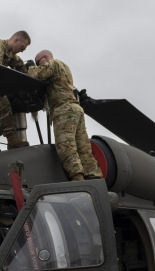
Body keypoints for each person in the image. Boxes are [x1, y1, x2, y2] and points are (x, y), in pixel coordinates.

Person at [26, 50, 102, 181]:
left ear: (45, 58)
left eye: (39, 62)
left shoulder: (53, 64)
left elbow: (38, 74)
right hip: (75, 109)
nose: (39, 65)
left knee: (65, 146)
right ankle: (94, 178)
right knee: (83, 148)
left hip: (64, 110)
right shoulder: (64, 66)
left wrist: (30, 68)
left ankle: (77, 178)